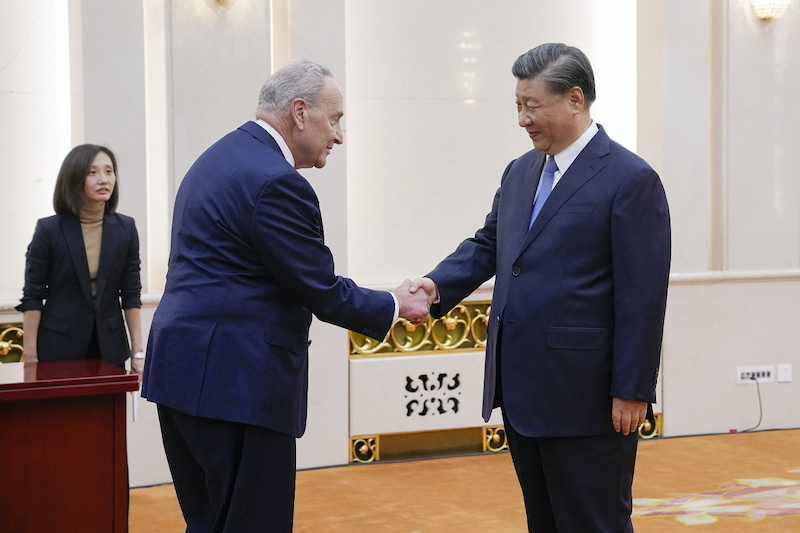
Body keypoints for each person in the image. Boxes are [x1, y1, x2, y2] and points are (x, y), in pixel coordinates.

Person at [142, 59, 431, 532]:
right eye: (334, 119)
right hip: (237, 386)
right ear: (299, 112)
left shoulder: (217, 158)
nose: (339, 136)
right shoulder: (277, 182)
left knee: (208, 522)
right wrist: (397, 302)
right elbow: (321, 289)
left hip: (181, 376)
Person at [410, 43, 671, 532]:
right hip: (524, 390)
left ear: (575, 99)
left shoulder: (631, 179)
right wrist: (433, 286)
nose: (522, 119)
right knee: (545, 521)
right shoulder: (520, 171)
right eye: (517, 106)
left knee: (595, 523)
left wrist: (633, 389)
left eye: (531, 106)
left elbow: (643, 296)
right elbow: (490, 245)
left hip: (589, 397)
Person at [17, 144, 144, 377]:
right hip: (59, 347)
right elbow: (33, 296)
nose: (103, 179)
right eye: (92, 172)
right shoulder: (49, 230)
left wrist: (137, 352)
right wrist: (30, 357)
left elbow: (131, 293)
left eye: (109, 171)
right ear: (74, 178)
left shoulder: (126, 228)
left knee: (109, 413)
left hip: (110, 348)